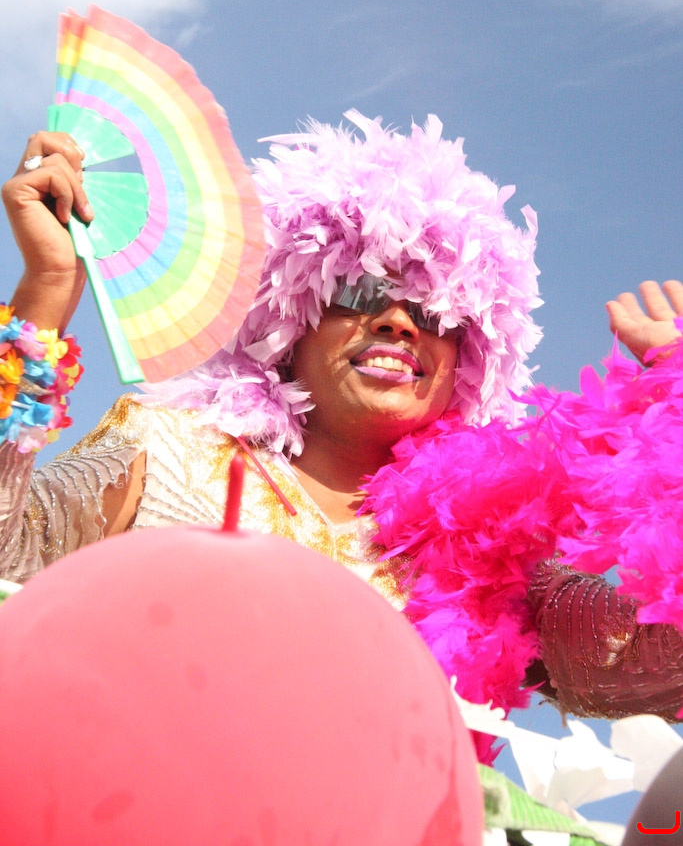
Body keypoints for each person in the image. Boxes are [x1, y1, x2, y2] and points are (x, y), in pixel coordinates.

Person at [2, 113, 683, 745]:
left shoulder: (487, 547)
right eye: (358, 293)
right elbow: (10, 555)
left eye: (437, 313)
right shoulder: (167, 447)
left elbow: (644, 666)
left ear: (465, 362)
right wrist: (47, 291)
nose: (398, 322)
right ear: (289, 323)